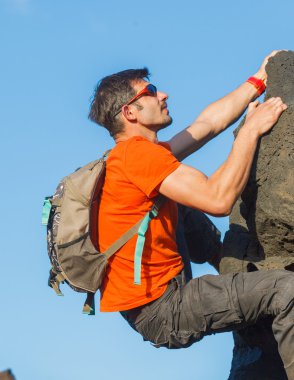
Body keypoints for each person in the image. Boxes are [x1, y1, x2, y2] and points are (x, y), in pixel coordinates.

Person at [88, 51, 294, 377]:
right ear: (130, 112)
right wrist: (250, 131)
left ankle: (228, 264)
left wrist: (259, 80)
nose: (163, 94)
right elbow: (218, 199)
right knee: (287, 291)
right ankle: (237, 278)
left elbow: (207, 125)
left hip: (155, 300)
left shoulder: (138, 156)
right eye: (151, 91)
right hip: (164, 310)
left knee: (179, 204)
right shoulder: (136, 158)